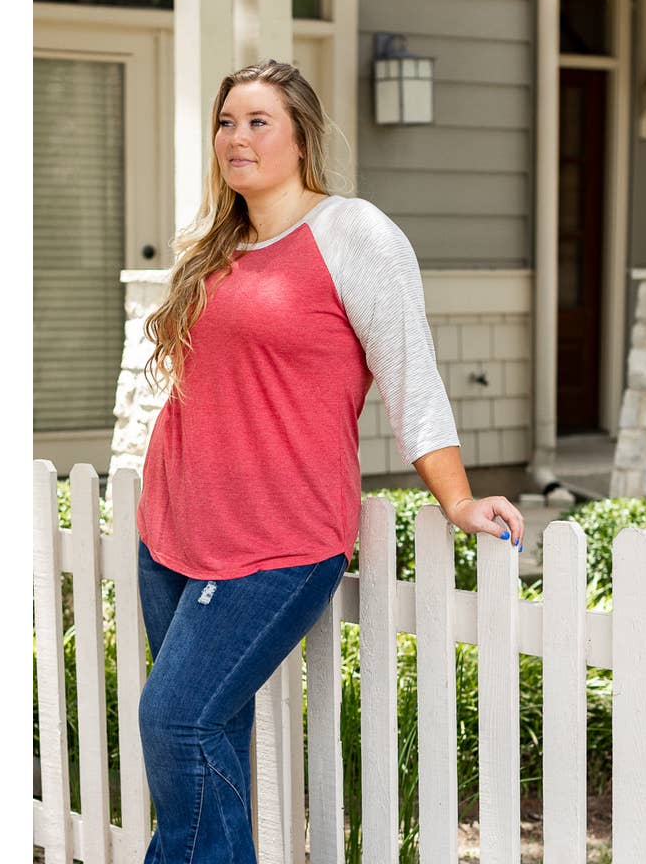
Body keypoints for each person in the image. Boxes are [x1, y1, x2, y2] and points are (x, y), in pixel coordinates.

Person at [135, 59, 525, 863]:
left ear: (301, 135)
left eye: (258, 121)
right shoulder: (218, 243)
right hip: (172, 531)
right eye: (225, 122)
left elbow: (411, 373)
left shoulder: (356, 234)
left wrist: (457, 500)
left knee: (175, 721)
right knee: (213, 741)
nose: (235, 138)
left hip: (276, 541)